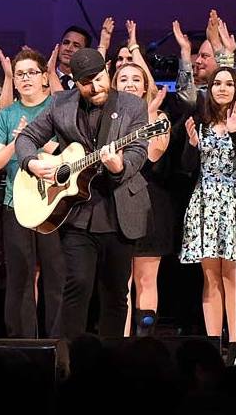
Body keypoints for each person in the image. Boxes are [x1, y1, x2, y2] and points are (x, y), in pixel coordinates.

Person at [15, 48, 150, 340]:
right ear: (74, 82)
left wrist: (118, 166)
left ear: (109, 70)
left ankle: (110, 361)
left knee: (115, 292)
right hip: (76, 212)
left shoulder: (132, 106)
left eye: (99, 78)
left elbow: (139, 153)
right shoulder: (60, 104)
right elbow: (27, 138)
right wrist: (33, 163)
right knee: (77, 283)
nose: (95, 87)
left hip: (119, 210)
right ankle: (68, 361)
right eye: (86, 82)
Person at [180, 63, 236, 343]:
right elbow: (186, 167)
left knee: (234, 278)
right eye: (217, 83)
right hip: (204, 203)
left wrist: (232, 134)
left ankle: (235, 346)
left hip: (234, 202)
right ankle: (214, 344)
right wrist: (191, 145)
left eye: (229, 84)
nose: (222, 88)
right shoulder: (199, 122)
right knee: (210, 278)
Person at [0, 48, 64, 338]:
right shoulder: (7, 115)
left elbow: (70, 152)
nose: (26, 78)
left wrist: (39, 146)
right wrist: (19, 141)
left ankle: (59, 344)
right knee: (19, 278)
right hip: (16, 205)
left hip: (54, 204)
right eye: (20, 74)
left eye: (32, 72)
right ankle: (23, 343)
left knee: (57, 276)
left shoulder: (58, 108)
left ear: (45, 76)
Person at [111, 51, 171, 336]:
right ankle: (120, 346)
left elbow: (156, 154)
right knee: (119, 282)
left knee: (147, 280)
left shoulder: (159, 116)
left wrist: (147, 115)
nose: (131, 83)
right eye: (124, 78)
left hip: (150, 204)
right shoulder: (104, 119)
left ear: (146, 85)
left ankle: (143, 345)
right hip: (113, 204)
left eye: (137, 78)